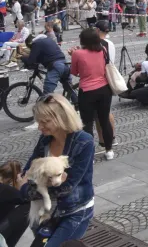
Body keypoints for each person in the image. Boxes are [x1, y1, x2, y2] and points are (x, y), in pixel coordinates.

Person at [20, 94, 95, 246]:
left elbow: (66, 188)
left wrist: (25, 189)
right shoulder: (45, 140)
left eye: (45, 122)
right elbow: (27, 171)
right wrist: (26, 183)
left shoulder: (84, 142)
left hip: (73, 211)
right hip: (45, 212)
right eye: (38, 122)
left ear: (61, 118)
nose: (40, 127)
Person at [70, 28, 115, 160]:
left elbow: (74, 72)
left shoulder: (77, 54)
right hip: (104, 89)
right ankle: (109, 150)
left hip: (87, 91)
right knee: (104, 120)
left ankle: (89, 154)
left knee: (87, 123)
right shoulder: (103, 50)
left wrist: (73, 54)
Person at [20, 33, 75, 103]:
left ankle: (45, 112)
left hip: (56, 66)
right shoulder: (47, 39)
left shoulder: (36, 43)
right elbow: (42, 56)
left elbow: (31, 61)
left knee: (47, 94)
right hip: (64, 64)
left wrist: (22, 58)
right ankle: (78, 104)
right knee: (69, 88)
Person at [0, 160, 29, 247]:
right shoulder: (6, 190)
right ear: (11, 179)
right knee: (27, 207)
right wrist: (19, 187)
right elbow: (26, 198)